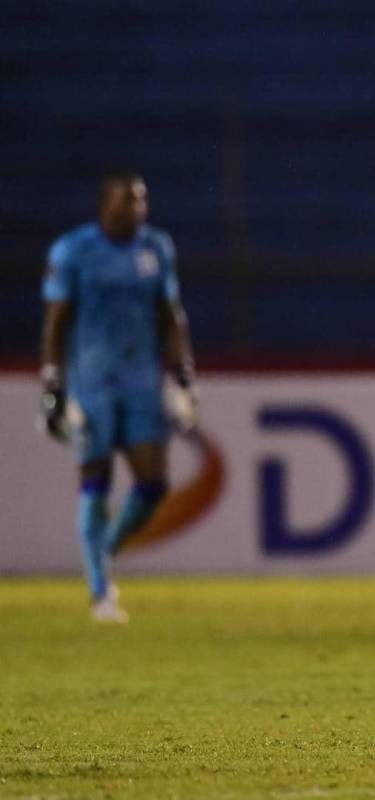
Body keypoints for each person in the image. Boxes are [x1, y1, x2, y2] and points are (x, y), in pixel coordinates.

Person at [39, 171, 196, 623]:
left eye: (142, 201)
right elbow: (56, 320)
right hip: (92, 384)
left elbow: (170, 314)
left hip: (143, 382)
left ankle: (103, 551)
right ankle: (99, 589)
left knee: (154, 482)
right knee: (96, 474)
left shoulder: (156, 248)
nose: (138, 209)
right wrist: (53, 384)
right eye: (130, 201)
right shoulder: (73, 250)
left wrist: (183, 375)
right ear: (106, 204)